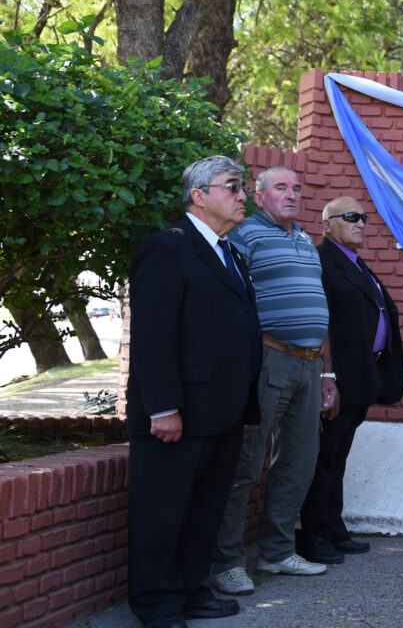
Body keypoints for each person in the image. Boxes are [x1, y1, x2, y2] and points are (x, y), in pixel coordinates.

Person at [125, 156, 261, 628]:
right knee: (161, 512)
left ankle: (189, 590)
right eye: (233, 187)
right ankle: (155, 603)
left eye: (243, 188)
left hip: (223, 410)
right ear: (199, 196)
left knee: (204, 509)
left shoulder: (231, 252)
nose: (243, 196)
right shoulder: (167, 247)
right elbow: (152, 335)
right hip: (177, 412)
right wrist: (162, 407)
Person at [211, 166, 336, 595]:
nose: (292, 194)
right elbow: (229, 295)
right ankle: (227, 562)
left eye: (297, 188)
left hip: (308, 364)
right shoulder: (245, 234)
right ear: (259, 195)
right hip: (268, 359)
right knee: (246, 462)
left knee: (298, 463)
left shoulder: (304, 239)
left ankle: (277, 552)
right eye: (281, 187)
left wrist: (327, 371)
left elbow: (318, 307)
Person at [297, 197, 403, 564]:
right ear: (326, 225)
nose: (360, 223)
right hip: (336, 379)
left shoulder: (356, 264)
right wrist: (328, 376)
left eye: (363, 218)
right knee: (323, 458)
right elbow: (320, 321)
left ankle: (333, 527)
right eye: (351, 217)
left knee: (337, 458)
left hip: (361, 376)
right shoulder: (322, 262)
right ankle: (313, 537)